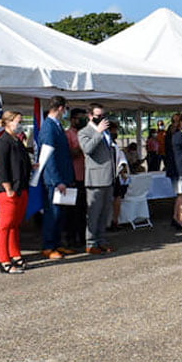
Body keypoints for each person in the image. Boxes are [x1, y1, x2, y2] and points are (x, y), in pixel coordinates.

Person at [0, 111, 32, 274]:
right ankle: (3, 259)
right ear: (8, 123)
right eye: (18, 121)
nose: (20, 124)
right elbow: (1, 168)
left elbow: (21, 162)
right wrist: (7, 187)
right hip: (8, 190)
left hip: (21, 187)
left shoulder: (17, 140)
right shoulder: (3, 142)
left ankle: (15, 254)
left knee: (15, 224)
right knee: (5, 225)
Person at [37, 96, 76, 259]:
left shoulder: (57, 126)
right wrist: (57, 180)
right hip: (54, 180)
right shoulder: (48, 127)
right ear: (60, 108)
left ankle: (58, 243)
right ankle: (48, 245)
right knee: (52, 213)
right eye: (65, 109)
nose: (66, 112)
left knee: (61, 214)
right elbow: (48, 157)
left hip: (64, 177)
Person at [77, 103, 117, 255]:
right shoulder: (84, 132)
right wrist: (98, 132)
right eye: (98, 115)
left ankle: (102, 240)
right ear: (90, 116)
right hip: (95, 179)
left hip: (108, 177)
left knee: (105, 212)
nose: (101, 118)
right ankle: (91, 242)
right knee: (94, 213)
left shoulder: (106, 132)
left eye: (103, 115)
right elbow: (87, 149)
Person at [63, 108, 88, 248]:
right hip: (74, 177)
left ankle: (83, 237)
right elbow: (70, 154)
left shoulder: (85, 133)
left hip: (86, 176)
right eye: (80, 118)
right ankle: (70, 238)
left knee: (83, 211)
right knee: (72, 212)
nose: (82, 121)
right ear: (73, 119)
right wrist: (82, 146)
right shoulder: (68, 134)